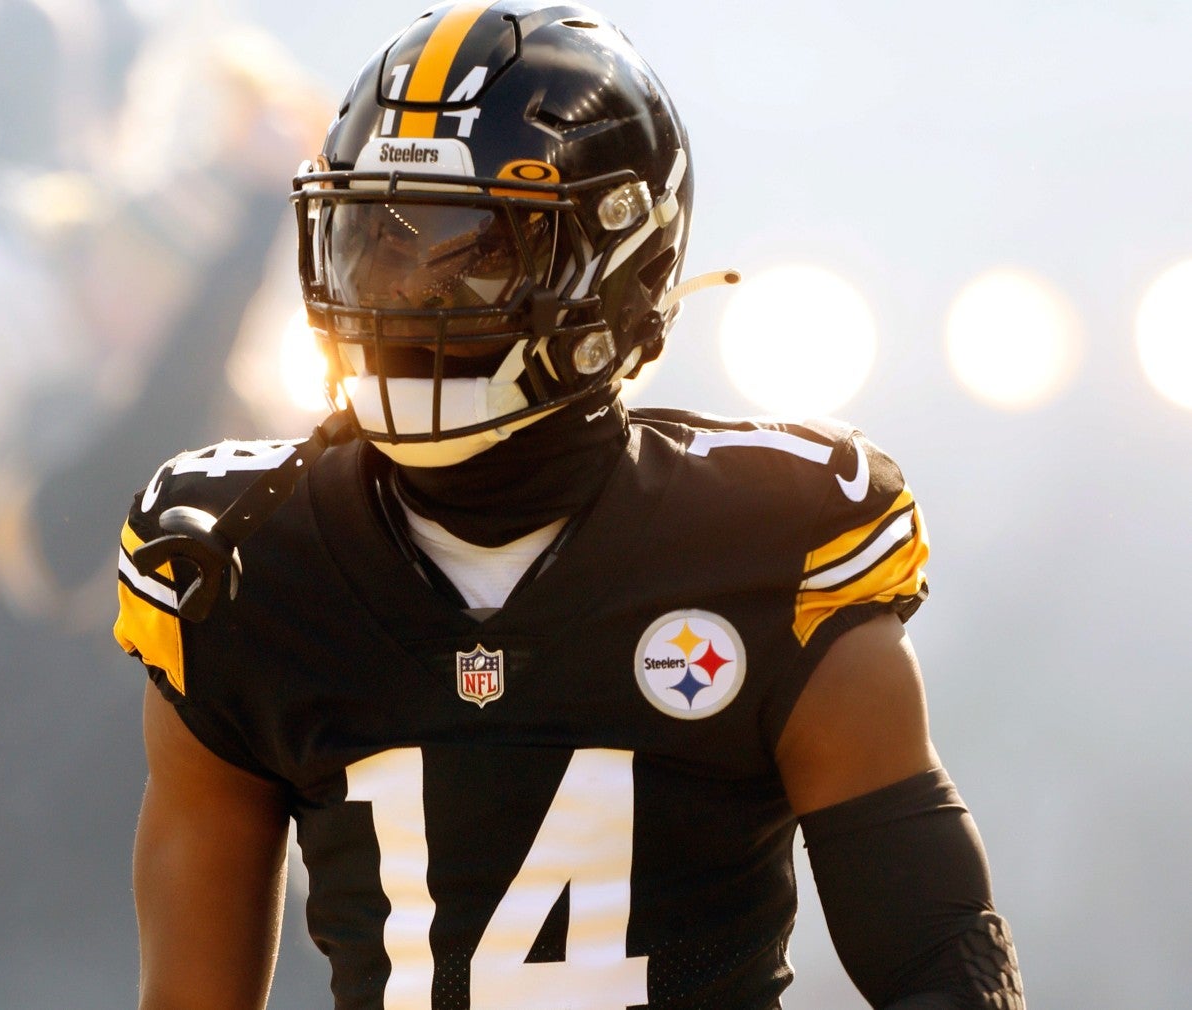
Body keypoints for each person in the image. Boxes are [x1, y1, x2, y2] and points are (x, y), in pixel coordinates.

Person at [114, 3, 1025, 1008]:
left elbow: (940, 965)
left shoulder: (774, 542)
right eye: (376, 240)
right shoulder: (238, 558)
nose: (404, 296)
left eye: (472, 253)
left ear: (619, 268)